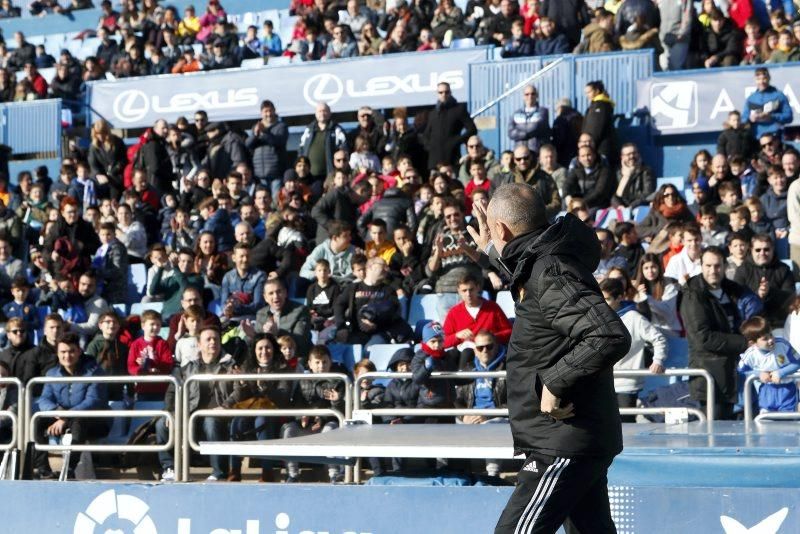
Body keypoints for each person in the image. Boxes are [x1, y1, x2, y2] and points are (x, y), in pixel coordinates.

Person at [473, 183, 629, 533]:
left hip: (562, 441)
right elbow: (538, 297)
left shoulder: (551, 270)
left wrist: (554, 382)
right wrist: (491, 254)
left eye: (495, 234)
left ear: (501, 228)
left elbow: (608, 334)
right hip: (572, 438)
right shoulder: (542, 264)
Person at [157, 325, 236, 482]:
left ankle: (219, 472)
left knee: (210, 421)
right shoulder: (188, 368)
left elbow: (238, 391)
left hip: (219, 415)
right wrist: (170, 410)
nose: (212, 342)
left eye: (216, 339)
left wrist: (225, 406)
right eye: (208, 339)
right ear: (199, 344)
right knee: (162, 423)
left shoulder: (230, 365)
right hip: (190, 413)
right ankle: (169, 468)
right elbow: (172, 390)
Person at [680, 247, 750, 420]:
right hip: (709, 375)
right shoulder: (693, 295)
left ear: (725, 266)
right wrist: (744, 343)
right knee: (712, 434)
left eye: (717, 266)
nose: (713, 271)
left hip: (731, 371)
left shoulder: (733, 290)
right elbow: (703, 338)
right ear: (701, 266)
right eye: (708, 266)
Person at [36, 332, 109, 480]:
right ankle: (43, 469)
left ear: (79, 351)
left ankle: (69, 469)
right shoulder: (52, 373)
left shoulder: (94, 372)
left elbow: (92, 402)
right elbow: (44, 399)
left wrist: (65, 418)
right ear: (57, 353)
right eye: (63, 352)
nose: (67, 356)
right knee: (37, 421)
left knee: (79, 420)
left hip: (95, 421)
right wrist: (56, 411)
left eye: (71, 351)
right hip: (64, 417)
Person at [225, 333, 293, 482]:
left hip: (273, 412)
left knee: (262, 421)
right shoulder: (246, 367)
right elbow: (238, 396)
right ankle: (234, 470)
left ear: (274, 349)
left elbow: (283, 396)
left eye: (268, 348)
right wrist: (242, 384)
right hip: (250, 409)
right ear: (254, 350)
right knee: (237, 422)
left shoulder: (283, 368)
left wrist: (265, 387)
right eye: (260, 348)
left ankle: (267, 471)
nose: (264, 352)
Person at [600, 278, 667, 422]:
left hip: (627, 384)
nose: (602, 303)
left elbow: (659, 339)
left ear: (619, 297)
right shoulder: (598, 318)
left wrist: (658, 360)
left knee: (626, 428)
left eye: (607, 299)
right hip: (603, 383)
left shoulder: (634, 318)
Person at [280, 345, 346, 483]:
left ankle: (334, 473)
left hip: (326, 423)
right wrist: (302, 417)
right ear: (309, 364)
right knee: (288, 430)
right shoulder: (303, 381)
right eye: (317, 362)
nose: (321, 366)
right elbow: (297, 404)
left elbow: (342, 412)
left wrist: (336, 402)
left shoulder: (338, 381)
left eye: (324, 362)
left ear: (330, 362)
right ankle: (292, 474)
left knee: (330, 430)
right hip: (306, 426)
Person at [454, 329, 507, 477]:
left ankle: (493, 475)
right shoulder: (468, 369)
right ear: (475, 351)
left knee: (492, 427)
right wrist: (464, 415)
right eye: (480, 348)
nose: (485, 351)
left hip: (497, 415)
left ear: (496, 346)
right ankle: (459, 474)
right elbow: (457, 399)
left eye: (489, 346)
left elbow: (515, 401)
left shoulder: (509, 368)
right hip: (471, 415)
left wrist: (487, 416)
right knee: (450, 425)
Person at [739, 316, 800, 413]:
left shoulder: (783, 344)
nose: (771, 340)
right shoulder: (751, 354)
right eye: (765, 339)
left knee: (788, 422)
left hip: (787, 390)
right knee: (765, 421)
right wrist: (759, 373)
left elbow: (797, 362)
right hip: (766, 391)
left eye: (771, 335)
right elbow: (742, 370)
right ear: (753, 343)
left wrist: (781, 372)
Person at [734, 233, 794, 328]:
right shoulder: (742, 270)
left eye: (766, 249)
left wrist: (770, 291)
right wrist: (757, 295)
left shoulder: (784, 270)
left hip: (778, 323)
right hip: (751, 325)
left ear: (773, 249)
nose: (762, 253)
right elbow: (736, 298)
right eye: (758, 250)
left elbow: (791, 298)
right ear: (751, 250)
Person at [443, 273, 513, 350]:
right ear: (459, 291)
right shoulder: (453, 312)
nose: (468, 294)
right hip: (465, 352)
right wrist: (457, 336)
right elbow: (444, 342)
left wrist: (490, 338)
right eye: (464, 291)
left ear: (478, 288)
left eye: (471, 289)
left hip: (490, 350)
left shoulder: (493, 308)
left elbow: (509, 332)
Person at [422, 81, 477, 170]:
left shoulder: (459, 109)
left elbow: (472, 129)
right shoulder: (433, 113)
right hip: (435, 162)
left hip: (452, 159)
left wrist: (456, 141)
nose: (444, 94)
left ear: (450, 93)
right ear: (437, 94)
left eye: (446, 92)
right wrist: (431, 147)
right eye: (441, 92)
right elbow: (426, 135)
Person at [254, 278, 311, 356]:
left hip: (295, 357)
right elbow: (258, 342)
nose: (276, 296)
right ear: (265, 298)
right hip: (269, 358)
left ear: (285, 293)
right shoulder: (261, 314)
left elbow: (300, 340)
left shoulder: (301, 311)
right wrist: (251, 335)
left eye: (279, 292)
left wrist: (278, 332)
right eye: (271, 293)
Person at [297, 102, 348, 183]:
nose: (322, 113)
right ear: (315, 114)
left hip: (329, 175)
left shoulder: (337, 130)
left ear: (329, 113)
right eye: (319, 111)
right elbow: (301, 149)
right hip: (310, 176)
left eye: (324, 111)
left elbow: (344, 150)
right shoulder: (308, 130)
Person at [246, 100, 288, 197]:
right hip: (259, 174)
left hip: (276, 173)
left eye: (270, 111)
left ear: (274, 111)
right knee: (262, 201)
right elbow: (248, 145)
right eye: (266, 111)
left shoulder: (281, 126)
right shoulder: (256, 127)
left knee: (275, 201)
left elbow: (279, 142)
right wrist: (255, 135)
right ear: (261, 113)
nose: (268, 114)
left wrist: (264, 133)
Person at [743, 67, 793, 141]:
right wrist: (750, 118)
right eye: (758, 79)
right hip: (756, 138)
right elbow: (743, 118)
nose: (762, 82)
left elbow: (789, 117)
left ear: (769, 78)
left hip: (775, 137)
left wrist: (771, 116)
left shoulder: (779, 95)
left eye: (764, 78)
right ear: (755, 80)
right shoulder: (751, 98)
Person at [220, 243, 266, 320]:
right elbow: (223, 302)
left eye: (247, 256)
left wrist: (236, 309)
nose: (245, 259)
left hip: (251, 318)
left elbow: (258, 305)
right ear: (234, 258)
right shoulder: (227, 277)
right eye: (241, 256)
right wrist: (227, 309)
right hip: (231, 317)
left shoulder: (260, 276)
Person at [508, 85, 550, 155]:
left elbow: (537, 127)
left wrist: (519, 129)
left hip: (537, 152)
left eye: (533, 94)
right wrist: (525, 133)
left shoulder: (543, 111)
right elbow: (511, 133)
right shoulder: (516, 114)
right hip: (521, 154)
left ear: (537, 96)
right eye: (527, 94)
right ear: (523, 96)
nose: (530, 96)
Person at [613, 143, 655, 209]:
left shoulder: (646, 171)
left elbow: (648, 193)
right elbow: (614, 196)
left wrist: (632, 205)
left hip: (640, 206)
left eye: (634, 153)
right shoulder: (617, 173)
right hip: (622, 208)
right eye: (628, 154)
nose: (632, 156)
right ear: (622, 157)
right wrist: (619, 206)